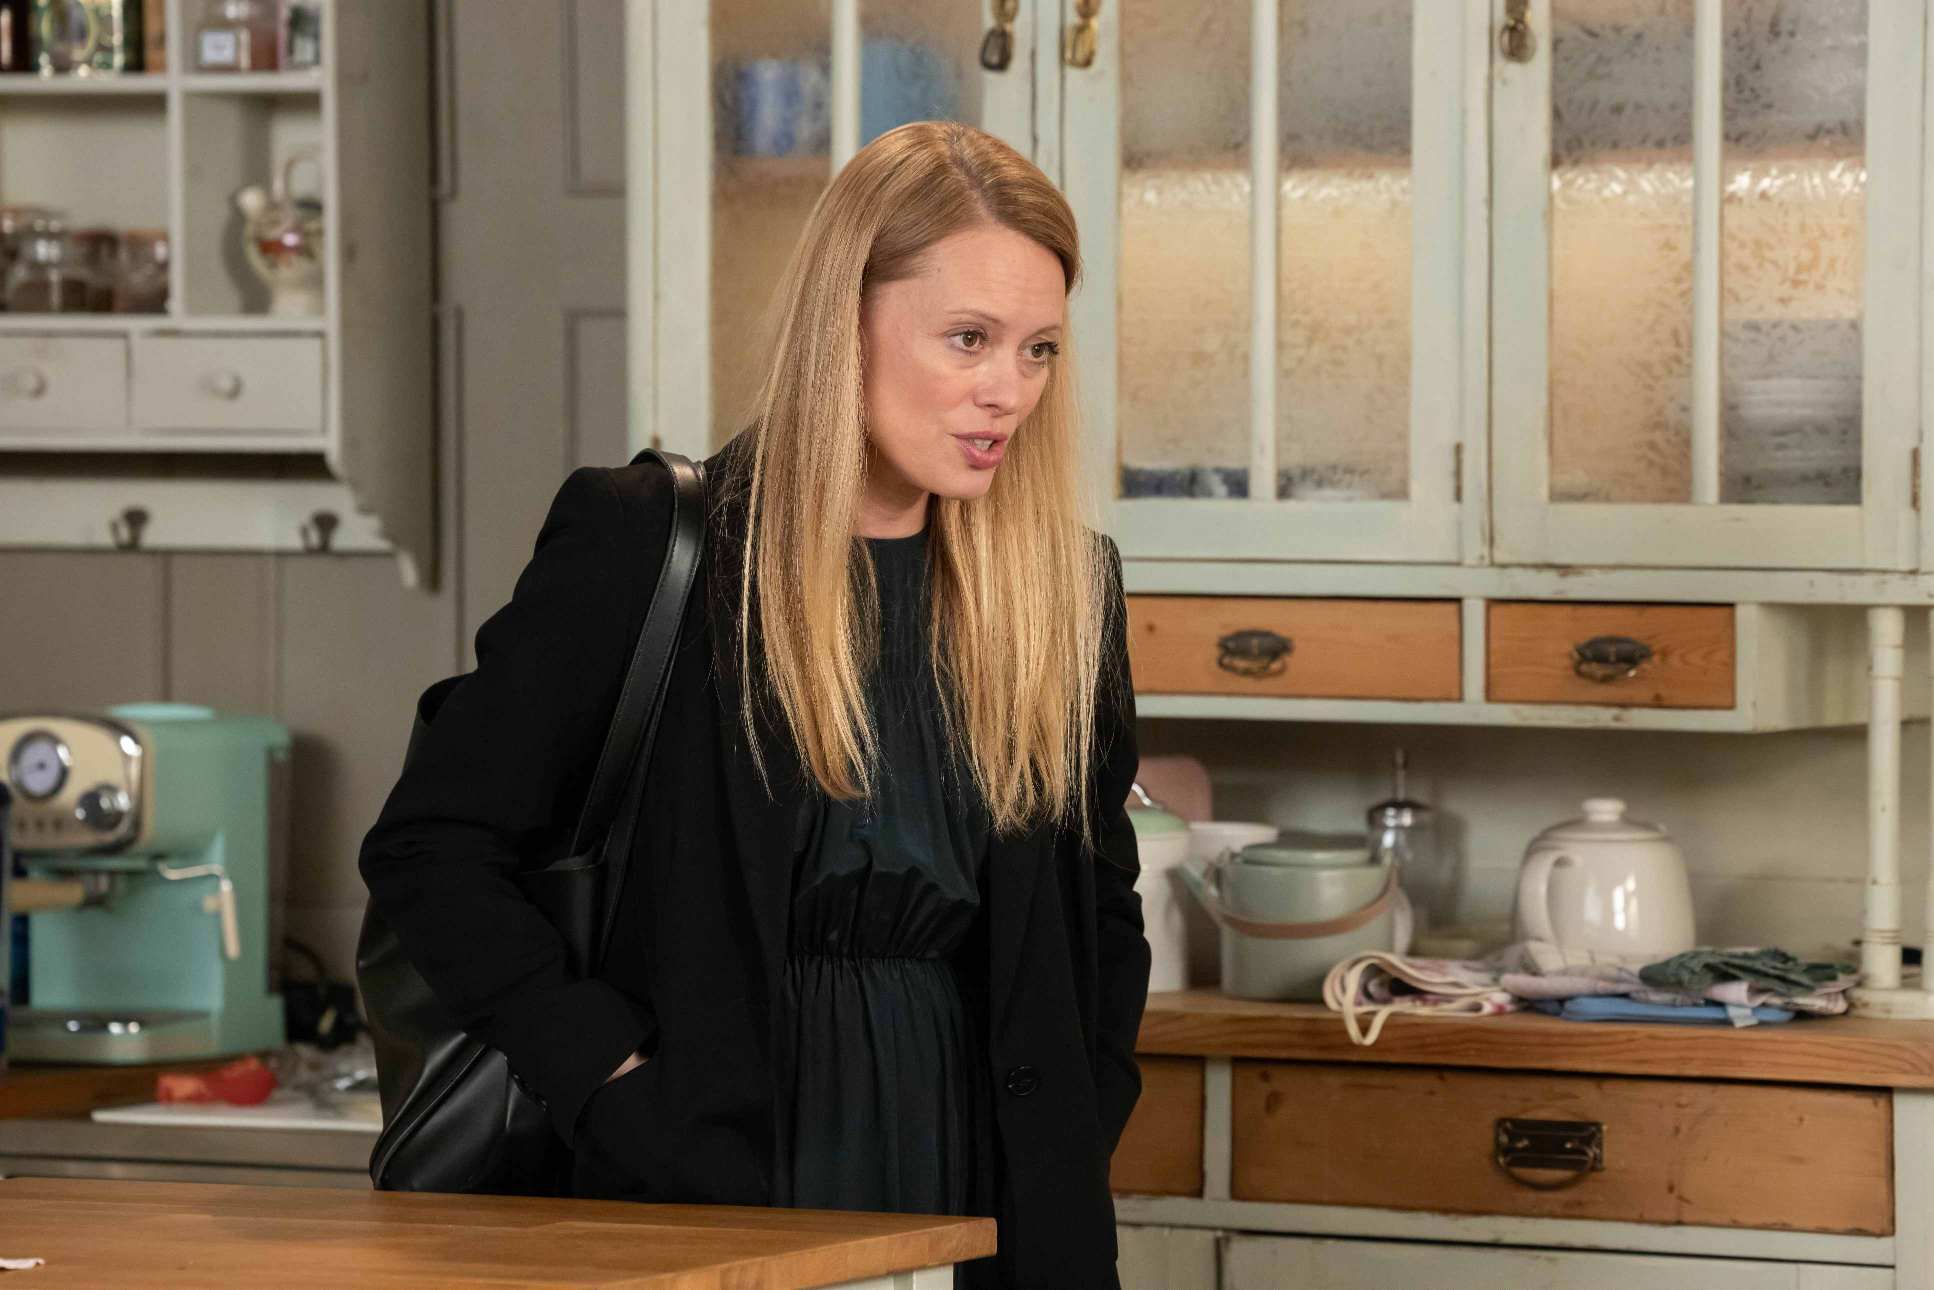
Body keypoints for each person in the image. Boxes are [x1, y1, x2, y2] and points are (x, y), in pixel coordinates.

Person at [358, 119, 1148, 1290]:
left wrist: (1077, 1115)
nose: (1007, 391)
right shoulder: (647, 545)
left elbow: (1099, 906)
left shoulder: (1064, 592)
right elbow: (432, 851)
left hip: (986, 1184)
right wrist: (613, 1085)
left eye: (1037, 351)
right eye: (968, 339)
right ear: (845, 323)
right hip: (711, 1171)